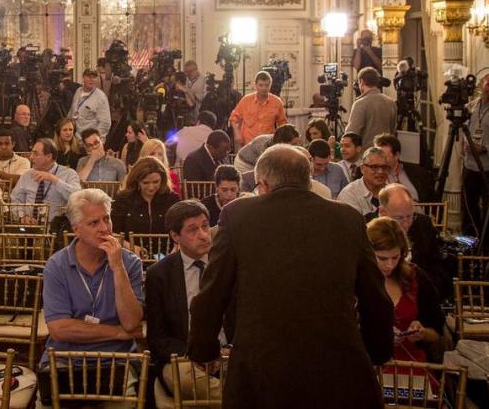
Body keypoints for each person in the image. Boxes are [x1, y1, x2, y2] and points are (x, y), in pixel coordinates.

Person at [188, 145, 393, 409]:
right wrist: (378, 351)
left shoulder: (238, 216)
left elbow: (213, 291)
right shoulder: (348, 218)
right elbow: (375, 296)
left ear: (263, 184)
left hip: (262, 370)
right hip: (338, 370)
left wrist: (203, 349)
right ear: (308, 180)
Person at [39, 188, 144, 403]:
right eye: (94, 223)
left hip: (116, 360)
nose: (105, 228)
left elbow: (132, 323)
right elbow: (59, 329)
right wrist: (117, 332)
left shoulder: (130, 263)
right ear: (77, 230)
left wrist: (117, 268)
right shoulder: (56, 266)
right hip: (65, 359)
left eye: (107, 219)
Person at [146, 200, 233, 393]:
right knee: (187, 379)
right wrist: (197, 355)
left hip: (227, 354)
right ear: (175, 236)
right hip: (184, 359)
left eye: (205, 226)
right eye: (193, 230)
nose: (204, 236)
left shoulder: (227, 264)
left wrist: (226, 351)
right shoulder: (159, 274)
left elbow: (245, 319)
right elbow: (157, 338)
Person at [366, 217, 444, 364]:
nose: (389, 265)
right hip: (369, 364)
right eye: (382, 259)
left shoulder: (415, 277)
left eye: (395, 257)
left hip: (410, 363)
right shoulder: (355, 280)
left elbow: (437, 331)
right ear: (368, 254)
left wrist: (421, 333)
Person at [378, 184, 450, 298]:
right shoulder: (367, 227)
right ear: (383, 212)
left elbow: (435, 266)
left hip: (420, 294)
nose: (406, 224)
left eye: (410, 216)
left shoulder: (424, 225)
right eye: (399, 218)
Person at [461, 73, 489, 234]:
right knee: (468, 205)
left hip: (488, 168)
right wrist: (463, 146)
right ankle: (469, 238)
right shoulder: (470, 107)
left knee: (488, 207)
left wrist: (486, 147)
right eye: (488, 85)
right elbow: (462, 132)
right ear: (481, 86)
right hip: (468, 165)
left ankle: (485, 240)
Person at [10, 138, 82, 222]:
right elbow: (15, 199)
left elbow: (77, 198)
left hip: (56, 227)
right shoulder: (27, 175)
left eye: (35, 154)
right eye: (32, 152)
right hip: (29, 225)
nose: (31, 157)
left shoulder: (69, 174)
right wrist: (22, 216)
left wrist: (54, 179)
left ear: (48, 157)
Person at [111, 157, 180, 236]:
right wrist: (131, 246)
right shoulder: (123, 200)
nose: (151, 187)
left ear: (163, 180)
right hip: (130, 248)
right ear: (137, 181)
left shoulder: (172, 199)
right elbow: (114, 233)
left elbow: (180, 230)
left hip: (167, 248)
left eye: (156, 182)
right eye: (145, 183)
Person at [228, 71, 288, 146]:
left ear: (270, 85)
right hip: (248, 144)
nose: (264, 88)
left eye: (266, 85)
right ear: (255, 85)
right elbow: (233, 118)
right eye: (261, 85)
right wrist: (237, 133)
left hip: (267, 144)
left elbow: (283, 123)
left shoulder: (277, 102)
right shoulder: (246, 100)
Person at [234, 124, 300, 190]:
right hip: (245, 163)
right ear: (283, 142)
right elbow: (266, 168)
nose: (296, 147)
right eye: (293, 144)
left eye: (297, 143)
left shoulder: (282, 146)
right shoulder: (263, 146)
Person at [346, 68, 397, 150]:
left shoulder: (360, 103)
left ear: (361, 82)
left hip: (367, 155)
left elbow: (351, 133)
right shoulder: (391, 102)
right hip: (386, 153)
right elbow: (392, 130)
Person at [374, 133, 432, 202]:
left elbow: (432, 201)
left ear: (397, 155)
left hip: (416, 210)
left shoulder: (419, 172)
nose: (380, 160)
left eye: (384, 157)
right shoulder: (372, 174)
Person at [336, 147, 391, 218]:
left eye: (384, 167)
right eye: (374, 167)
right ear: (362, 169)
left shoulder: (392, 191)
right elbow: (353, 227)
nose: (380, 171)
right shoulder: (349, 195)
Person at [68, 68, 112, 139]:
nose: (91, 79)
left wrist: (94, 139)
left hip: (89, 141)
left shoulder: (101, 97)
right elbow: (71, 112)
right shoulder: (78, 91)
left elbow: (105, 123)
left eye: (94, 77)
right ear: (83, 77)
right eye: (89, 77)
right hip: (75, 138)